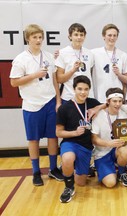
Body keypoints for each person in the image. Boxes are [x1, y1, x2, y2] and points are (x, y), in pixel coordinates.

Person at [10, 24, 63, 186]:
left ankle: (53, 169)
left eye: (40, 37)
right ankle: (36, 172)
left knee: (53, 136)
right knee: (33, 139)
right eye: (35, 37)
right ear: (28, 39)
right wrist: (34, 75)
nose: (38, 40)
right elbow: (13, 82)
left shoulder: (48, 56)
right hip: (32, 105)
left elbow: (54, 79)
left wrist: (58, 100)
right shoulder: (20, 59)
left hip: (49, 102)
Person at [56, 75, 101, 203]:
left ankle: (73, 167)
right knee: (68, 157)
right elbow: (58, 132)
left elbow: (107, 104)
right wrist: (74, 133)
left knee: (81, 182)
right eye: (80, 89)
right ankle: (68, 187)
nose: (83, 92)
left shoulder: (92, 103)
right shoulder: (65, 108)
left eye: (86, 89)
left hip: (86, 146)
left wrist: (96, 108)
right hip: (70, 142)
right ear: (74, 89)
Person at [91, 88, 127, 188]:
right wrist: (109, 143)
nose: (117, 104)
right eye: (114, 101)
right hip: (102, 153)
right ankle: (104, 168)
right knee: (110, 183)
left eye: (119, 101)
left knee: (126, 151)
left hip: (117, 150)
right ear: (108, 101)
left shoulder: (125, 113)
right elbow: (94, 139)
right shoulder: (98, 115)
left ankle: (121, 172)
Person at [91, 24, 127, 103]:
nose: (112, 38)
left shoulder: (123, 55)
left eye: (114, 35)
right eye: (109, 35)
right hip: (98, 96)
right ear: (103, 36)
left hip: (116, 98)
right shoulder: (94, 53)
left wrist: (119, 74)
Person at [55, 23, 94, 103]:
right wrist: (73, 70)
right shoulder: (62, 53)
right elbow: (59, 79)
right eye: (76, 35)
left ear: (84, 36)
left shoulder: (90, 53)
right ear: (70, 36)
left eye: (81, 35)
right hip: (69, 97)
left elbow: (90, 74)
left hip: (86, 97)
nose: (79, 37)